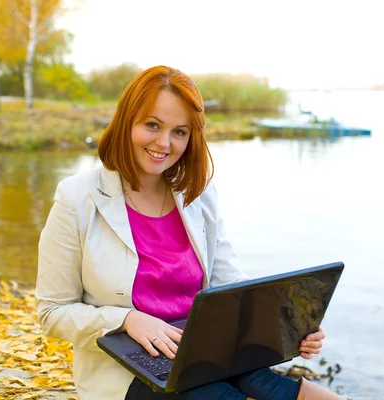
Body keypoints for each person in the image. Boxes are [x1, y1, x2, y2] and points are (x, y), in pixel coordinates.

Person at [35, 65, 344, 400]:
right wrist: (126, 320)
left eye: (179, 132)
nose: (163, 143)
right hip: (133, 368)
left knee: (316, 397)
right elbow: (53, 313)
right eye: (152, 125)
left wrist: (286, 327)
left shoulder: (199, 195)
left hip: (210, 352)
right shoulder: (77, 197)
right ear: (127, 122)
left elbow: (231, 287)